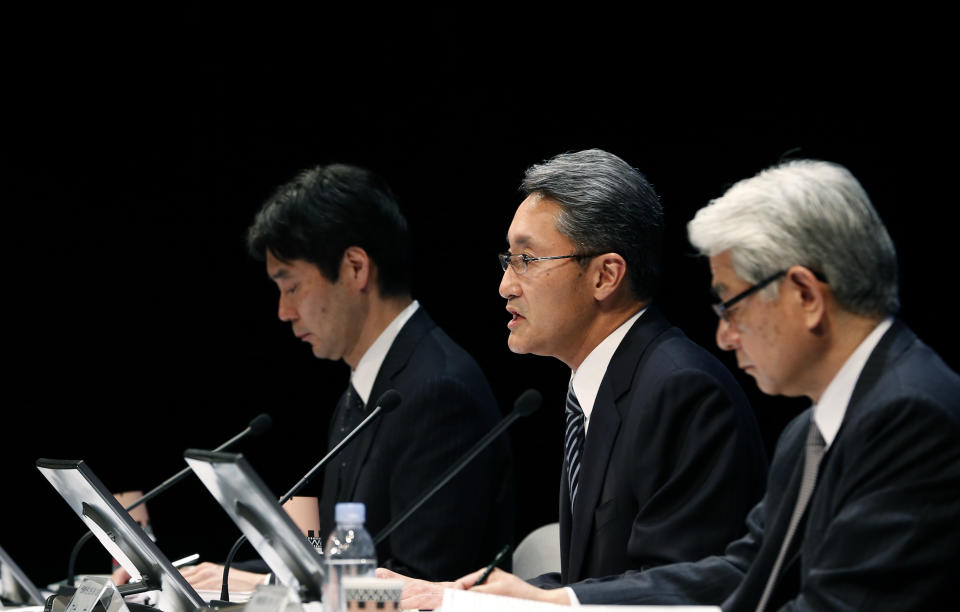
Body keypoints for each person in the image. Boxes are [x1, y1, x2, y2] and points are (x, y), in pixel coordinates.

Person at [443, 159, 960, 610]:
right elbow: (742, 571)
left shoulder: (910, 414)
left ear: (805, 294)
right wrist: (550, 601)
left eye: (732, 304)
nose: (724, 335)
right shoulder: (810, 428)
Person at [381, 149, 767, 600]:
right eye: (508, 259)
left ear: (605, 275)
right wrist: (456, 597)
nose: (506, 284)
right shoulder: (601, 386)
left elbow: (689, 587)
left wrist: (547, 603)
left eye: (527, 259)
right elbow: (592, 581)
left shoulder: (683, 389)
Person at [182, 163, 513, 590]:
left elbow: (423, 583)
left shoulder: (439, 390)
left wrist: (265, 587)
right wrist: (235, 575)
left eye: (292, 286)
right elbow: (337, 555)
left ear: (356, 268)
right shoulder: (367, 387)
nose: (284, 312)